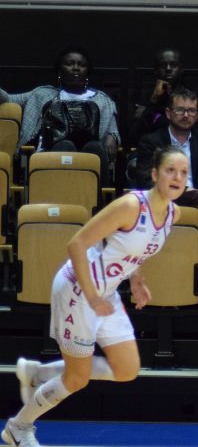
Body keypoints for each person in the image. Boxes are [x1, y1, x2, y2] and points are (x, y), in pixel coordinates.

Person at [3, 146, 187, 447]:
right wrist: (91, 297)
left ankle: (37, 372)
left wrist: (137, 279)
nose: (177, 177)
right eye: (170, 170)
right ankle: (17, 427)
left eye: (183, 172)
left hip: (106, 291)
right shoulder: (130, 206)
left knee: (127, 370)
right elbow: (76, 244)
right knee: (77, 379)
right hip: (79, 288)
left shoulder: (173, 213)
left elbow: (138, 249)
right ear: (155, 174)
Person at [0, 44, 119, 174]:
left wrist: (112, 136)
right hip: (50, 151)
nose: (76, 68)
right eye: (70, 64)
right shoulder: (42, 94)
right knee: (65, 146)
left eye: (81, 65)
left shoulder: (103, 100)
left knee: (94, 147)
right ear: (60, 70)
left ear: (87, 71)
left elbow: (113, 131)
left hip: (89, 152)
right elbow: (8, 99)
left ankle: (95, 192)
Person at [134, 87, 198, 244]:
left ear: (197, 116)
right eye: (180, 110)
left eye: (191, 111)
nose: (186, 115)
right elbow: (145, 178)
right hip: (163, 199)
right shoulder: (151, 141)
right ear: (169, 113)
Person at [126, 47, 198, 146]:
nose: (168, 69)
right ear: (155, 70)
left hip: (187, 148)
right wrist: (153, 102)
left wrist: (156, 118)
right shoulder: (146, 98)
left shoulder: (196, 97)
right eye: (163, 65)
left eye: (173, 65)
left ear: (181, 69)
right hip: (152, 149)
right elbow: (134, 137)